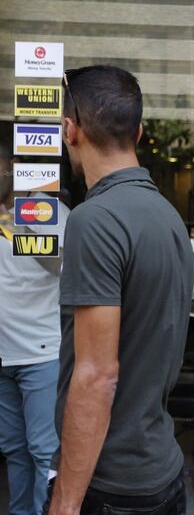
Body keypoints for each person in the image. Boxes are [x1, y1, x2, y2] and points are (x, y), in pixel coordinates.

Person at [43, 66, 194, 515]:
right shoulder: (168, 216)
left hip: (111, 487)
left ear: (70, 131)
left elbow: (96, 377)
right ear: (139, 132)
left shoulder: (96, 220)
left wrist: (65, 505)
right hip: (162, 474)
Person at [0, 142, 68, 515]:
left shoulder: (50, 214)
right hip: (3, 356)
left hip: (41, 354)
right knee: (14, 451)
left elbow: (62, 267)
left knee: (44, 451)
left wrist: (24, 221)